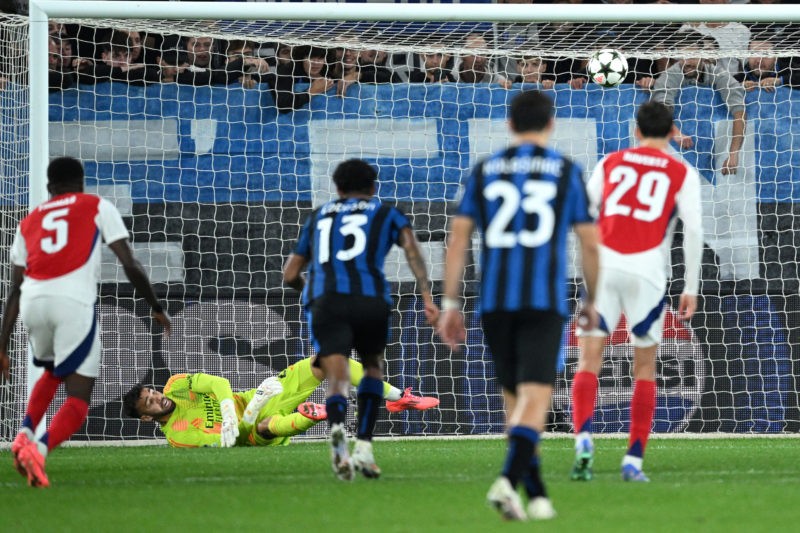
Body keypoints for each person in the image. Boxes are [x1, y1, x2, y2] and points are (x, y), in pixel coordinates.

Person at [438, 90, 599, 521]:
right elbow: (589, 241)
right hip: (542, 300)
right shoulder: (565, 171)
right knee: (535, 397)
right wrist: (593, 298)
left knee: (515, 401)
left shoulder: (484, 170)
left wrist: (451, 302)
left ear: (509, 124)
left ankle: (538, 494)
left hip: (494, 302)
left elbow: (457, 239)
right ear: (551, 124)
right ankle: (508, 481)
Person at [0, 157, 171, 488]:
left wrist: (3, 345)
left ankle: (23, 435)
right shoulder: (95, 205)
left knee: (52, 371)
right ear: (81, 182)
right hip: (71, 301)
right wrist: (155, 305)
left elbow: (13, 291)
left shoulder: (29, 221)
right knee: (78, 396)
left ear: (50, 188)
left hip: (33, 303)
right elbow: (129, 262)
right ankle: (39, 449)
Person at [569, 101, 703, 483]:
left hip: (605, 267)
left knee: (588, 359)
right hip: (648, 272)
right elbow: (693, 231)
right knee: (644, 367)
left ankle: (584, 444)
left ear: (636, 131)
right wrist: (690, 285)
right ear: (673, 131)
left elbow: (586, 213)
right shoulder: (682, 171)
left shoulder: (611, 161)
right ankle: (633, 461)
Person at [283, 158, 439, 480]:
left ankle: (337, 428)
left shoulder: (318, 217)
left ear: (337, 188)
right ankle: (364, 448)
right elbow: (412, 251)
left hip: (327, 301)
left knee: (337, 375)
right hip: (370, 300)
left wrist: (309, 291)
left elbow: (290, 275)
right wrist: (426, 297)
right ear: (373, 187)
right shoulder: (385, 213)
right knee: (371, 367)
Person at [123, 356, 439, 448]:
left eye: (153, 393)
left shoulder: (177, 385)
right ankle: (314, 414)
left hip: (257, 396)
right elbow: (228, 442)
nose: (158, 398)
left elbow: (217, 383)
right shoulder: (179, 435)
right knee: (265, 426)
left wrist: (226, 407)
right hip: (252, 432)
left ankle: (398, 398)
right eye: (149, 404)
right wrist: (241, 416)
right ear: (147, 419)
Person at [651, 32, 746, 176]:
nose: (687, 61)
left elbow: (739, 111)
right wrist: (676, 133)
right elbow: (659, 109)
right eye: (682, 56)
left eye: (693, 56)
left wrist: (733, 153)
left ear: (703, 55)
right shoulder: (670, 76)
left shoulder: (718, 74)